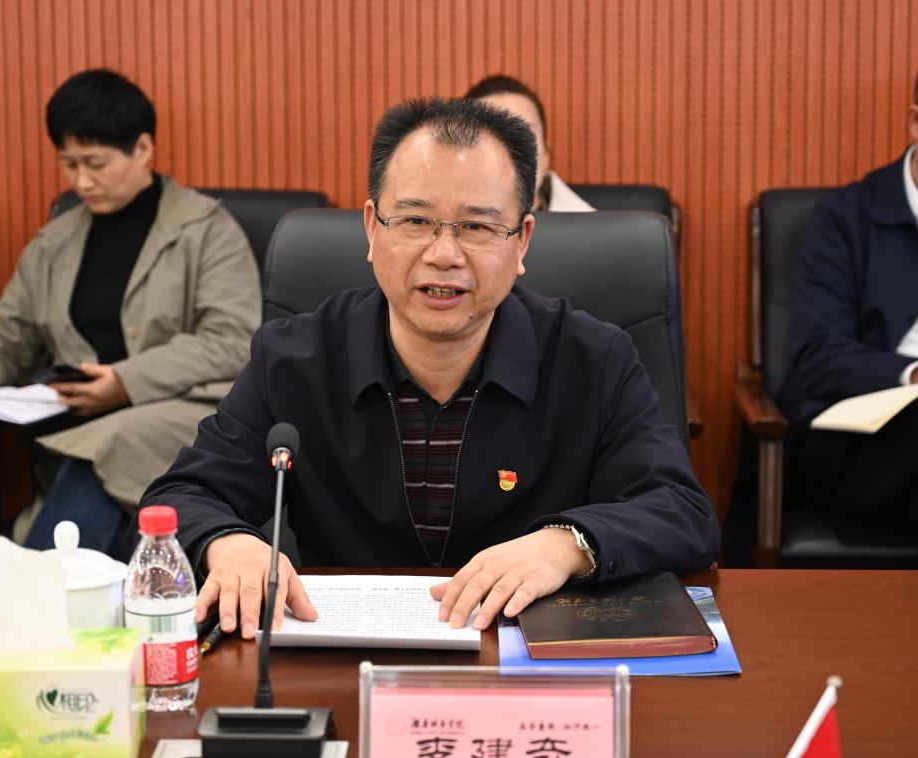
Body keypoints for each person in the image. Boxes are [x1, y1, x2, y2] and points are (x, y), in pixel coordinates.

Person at [139, 96, 718, 641]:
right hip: (346, 659)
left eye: (477, 226)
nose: (444, 254)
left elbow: (682, 513)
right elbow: (184, 494)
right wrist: (229, 542)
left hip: (524, 661)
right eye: (416, 221)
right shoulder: (293, 359)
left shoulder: (593, 359)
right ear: (372, 228)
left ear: (522, 241)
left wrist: (563, 546)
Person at [0, 69, 261, 557]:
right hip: (76, 429)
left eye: (96, 163)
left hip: (184, 417)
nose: (81, 181)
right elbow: (9, 331)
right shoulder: (55, 242)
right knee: (105, 480)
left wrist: (125, 381)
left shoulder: (207, 228)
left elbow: (233, 339)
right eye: (69, 164)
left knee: (112, 448)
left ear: (143, 148)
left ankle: (40, 588)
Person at [774, 72, 918, 527]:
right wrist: (912, 374)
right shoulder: (846, 216)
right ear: (915, 122)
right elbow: (818, 356)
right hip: (858, 438)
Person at [464, 74, 595, 213]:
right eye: (490, 137)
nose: (509, 152)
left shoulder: (595, 225)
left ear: (546, 154)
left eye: (523, 135)